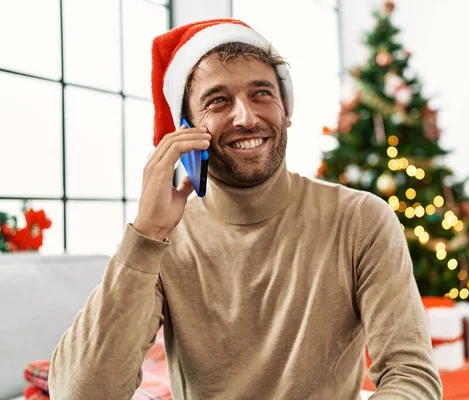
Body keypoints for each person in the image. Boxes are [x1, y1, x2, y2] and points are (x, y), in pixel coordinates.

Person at [49, 18, 442, 399]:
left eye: (261, 93)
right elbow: (79, 394)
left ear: (286, 111)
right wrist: (146, 235)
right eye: (218, 101)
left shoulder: (361, 219)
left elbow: (411, 377)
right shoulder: (164, 237)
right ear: (184, 128)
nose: (246, 117)